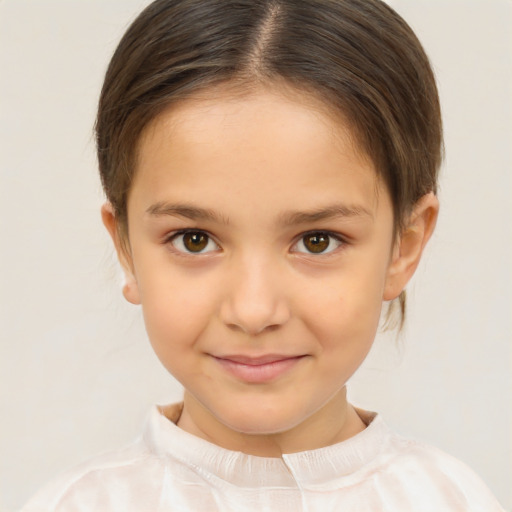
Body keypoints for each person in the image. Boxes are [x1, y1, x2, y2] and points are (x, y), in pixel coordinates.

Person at [22, 0, 505, 510]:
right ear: (125, 248)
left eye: (317, 240)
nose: (253, 311)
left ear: (403, 247)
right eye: (194, 239)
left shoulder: (453, 500)